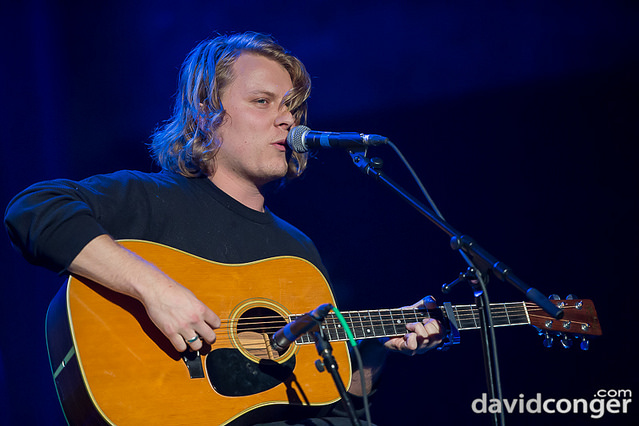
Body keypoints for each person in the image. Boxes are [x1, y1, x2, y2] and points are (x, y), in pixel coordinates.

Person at [4, 32, 442, 425]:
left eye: (291, 106)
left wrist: (376, 353)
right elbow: (32, 209)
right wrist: (155, 288)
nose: (288, 120)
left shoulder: (296, 249)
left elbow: (334, 406)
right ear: (205, 110)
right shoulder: (149, 199)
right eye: (262, 101)